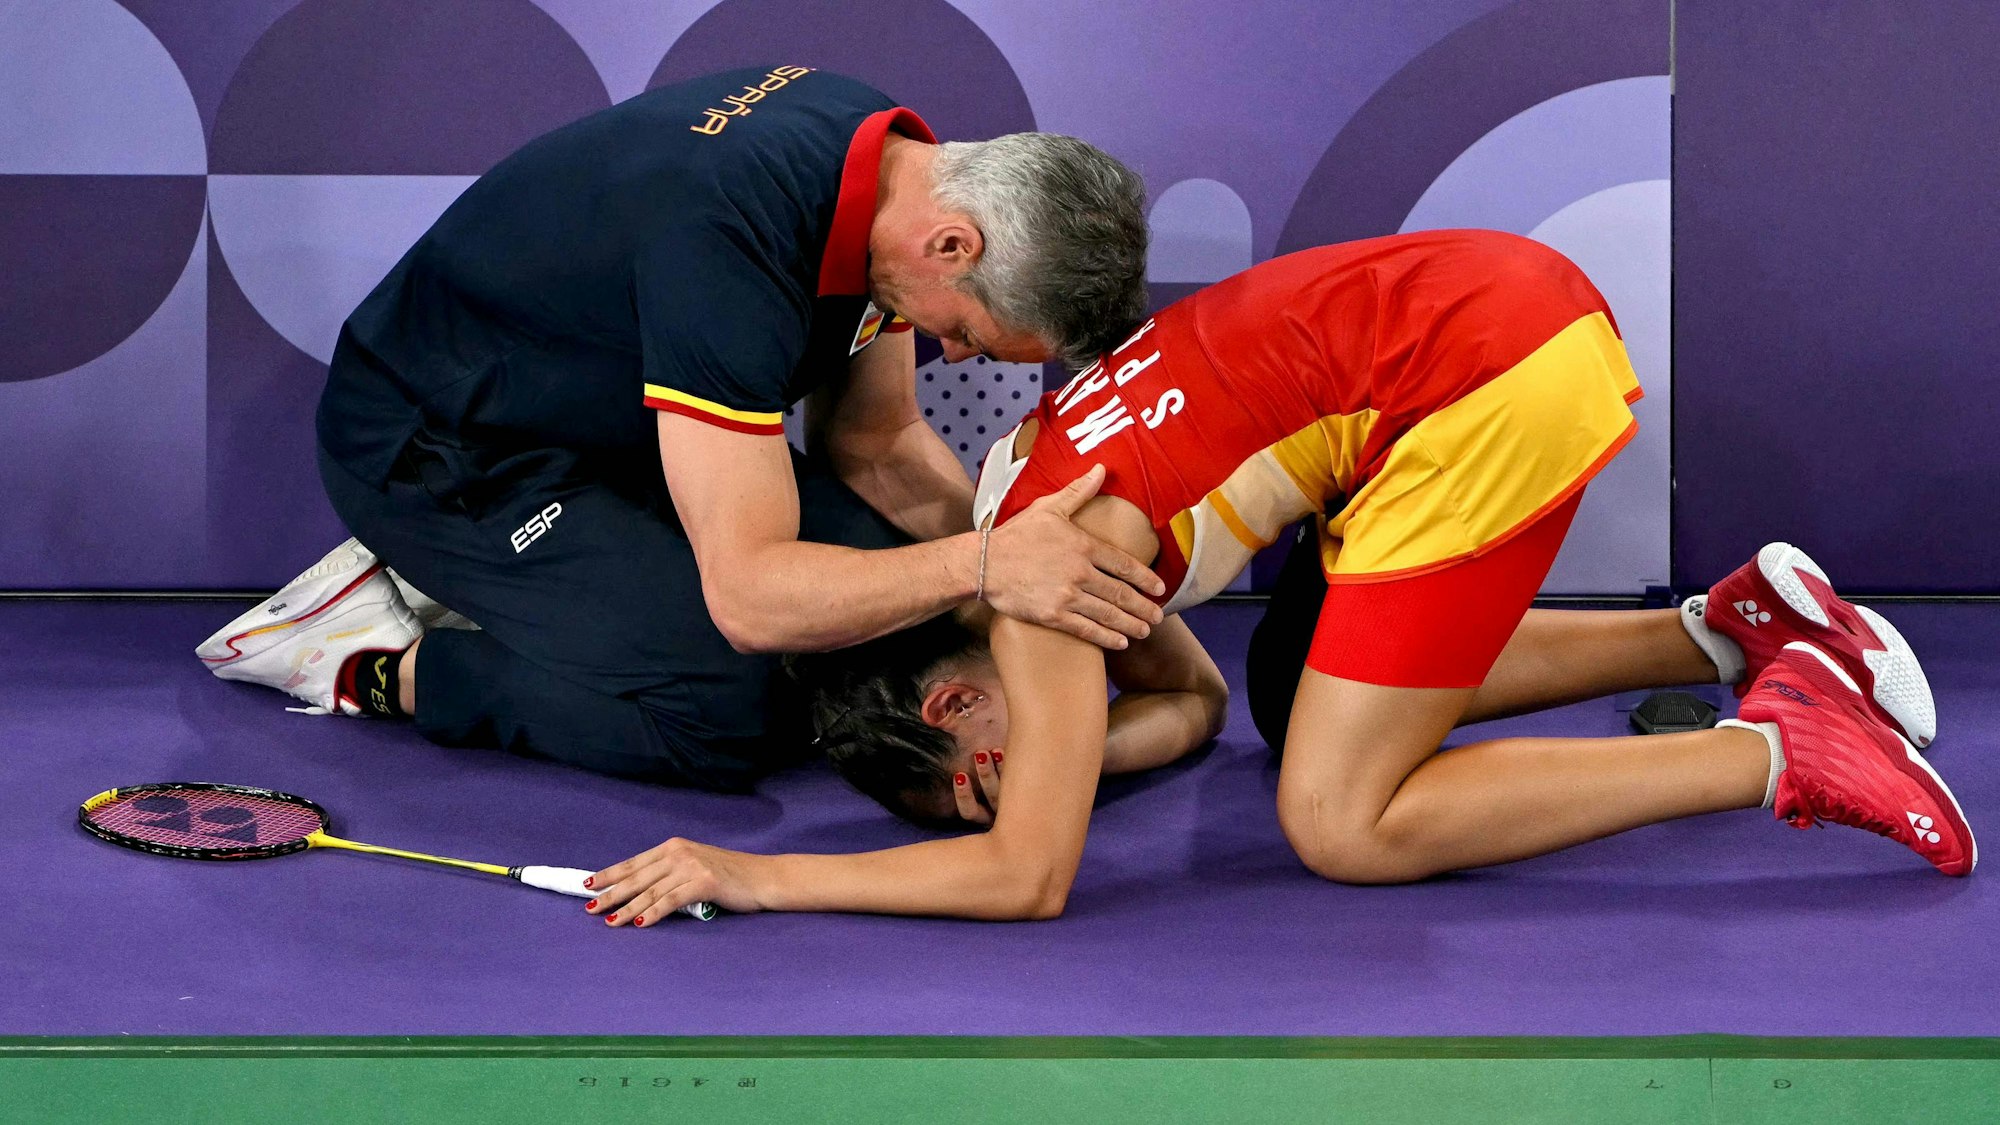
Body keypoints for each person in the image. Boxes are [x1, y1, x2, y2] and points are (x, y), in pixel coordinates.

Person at [580, 229, 1973, 927]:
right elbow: (1187, 707)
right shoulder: (1020, 487)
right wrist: (1076, 745)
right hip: (1475, 304)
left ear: (954, 712)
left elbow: (1023, 875)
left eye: (994, 771)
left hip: (1478, 377)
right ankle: (1733, 632)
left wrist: (755, 877)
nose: (1059, 765)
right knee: (1299, 682)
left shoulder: (1035, 590)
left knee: (1342, 816)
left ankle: (1773, 751)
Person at [195, 65, 1167, 792]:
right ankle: (378, 656)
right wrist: (987, 565)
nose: (953, 356)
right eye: (968, 334)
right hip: (447, 453)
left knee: (887, 598)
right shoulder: (729, 244)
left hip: (614, 420)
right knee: (724, 713)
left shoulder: (892, 179)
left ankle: (569, 596)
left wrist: (1078, 592)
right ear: (953, 245)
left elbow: (873, 446)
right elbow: (751, 601)